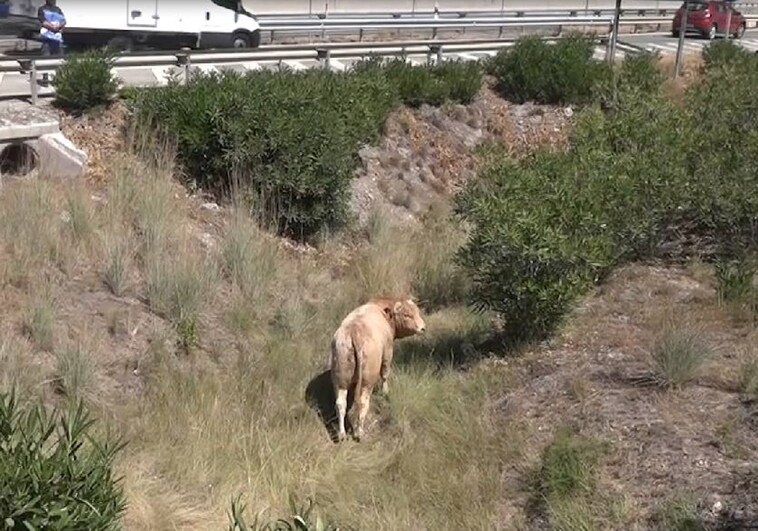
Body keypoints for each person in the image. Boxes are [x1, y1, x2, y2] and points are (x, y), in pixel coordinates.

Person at [37, 0, 66, 84]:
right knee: (46, 58)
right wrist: (53, 27)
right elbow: (43, 21)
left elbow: (63, 21)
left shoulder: (58, 9)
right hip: (46, 38)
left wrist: (59, 26)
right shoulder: (42, 9)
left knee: (59, 59)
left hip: (57, 39)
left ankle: (59, 77)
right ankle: (45, 78)